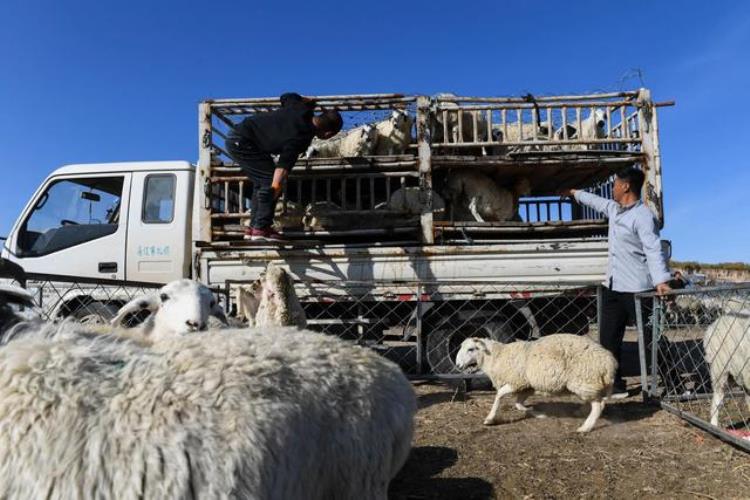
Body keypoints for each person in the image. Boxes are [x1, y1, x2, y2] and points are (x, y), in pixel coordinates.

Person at [562, 167, 674, 398]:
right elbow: (596, 202)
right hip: (613, 286)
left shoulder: (643, 216)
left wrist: (662, 280)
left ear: (625, 186)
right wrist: (574, 192)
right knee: (608, 338)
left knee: (650, 339)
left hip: (638, 288)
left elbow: (653, 250)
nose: (612, 188)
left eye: (615, 184)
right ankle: (616, 385)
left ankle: (674, 384)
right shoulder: (615, 209)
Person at [225, 93, 343, 242]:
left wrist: (304, 100)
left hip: (242, 137)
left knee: (261, 182)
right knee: (269, 182)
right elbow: (282, 168)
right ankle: (261, 228)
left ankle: (253, 228)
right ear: (328, 133)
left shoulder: (301, 108)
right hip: (242, 142)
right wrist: (275, 189)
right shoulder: (301, 138)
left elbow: (286, 96)